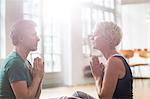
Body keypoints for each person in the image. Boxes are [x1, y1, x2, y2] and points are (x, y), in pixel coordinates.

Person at [73, 21, 133, 99]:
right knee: (77, 94)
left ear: (107, 37)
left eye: (95, 35)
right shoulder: (114, 59)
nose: (91, 38)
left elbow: (105, 98)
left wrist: (97, 77)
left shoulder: (113, 61)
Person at [0, 20, 44, 99]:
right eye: (34, 35)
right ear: (21, 38)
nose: (38, 38)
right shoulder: (15, 63)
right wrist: (37, 77)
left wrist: (39, 76)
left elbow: (35, 97)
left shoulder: (26, 62)